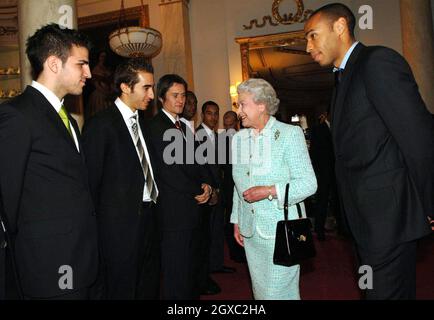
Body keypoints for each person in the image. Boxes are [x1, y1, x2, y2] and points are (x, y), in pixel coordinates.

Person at [304, 3, 434, 299]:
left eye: (312, 35)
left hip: (391, 216)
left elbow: (418, 137)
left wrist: (428, 202)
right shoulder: (341, 79)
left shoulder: (377, 62)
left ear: (340, 26)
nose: (307, 46)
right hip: (366, 219)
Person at [0, 24, 98, 299]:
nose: (89, 73)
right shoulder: (17, 115)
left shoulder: (67, 119)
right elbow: (7, 199)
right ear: (54, 64)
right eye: (82, 64)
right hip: (50, 265)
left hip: (81, 257)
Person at [230, 78, 317, 300]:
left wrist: (270, 190)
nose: (238, 110)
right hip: (251, 232)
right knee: (261, 293)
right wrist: (236, 220)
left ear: (261, 105)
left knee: (278, 292)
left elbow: (308, 183)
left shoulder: (289, 134)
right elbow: (238, 184)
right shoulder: (238, 139)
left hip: (281, 230)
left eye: (242, 104)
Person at [82, 58, 160, 299]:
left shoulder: (144, 124)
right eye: (146, 87)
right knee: (122, 290)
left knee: (148, 285)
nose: (152, 94)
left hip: (151, 218)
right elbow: (90, 185)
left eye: (152, 87)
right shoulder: (100, 125)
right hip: (118, 230)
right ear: (126, 87)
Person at [146, 74, 214, 299]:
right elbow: (169, 173)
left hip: (191, 209)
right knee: (176, 273)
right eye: (175, 95)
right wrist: (198, 190)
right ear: (161, 97)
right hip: (173, 213)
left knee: (189, 270)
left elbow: (197, 162)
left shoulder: (183, 127)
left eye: (183, 95)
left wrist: (207, 185)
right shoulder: (157, 126)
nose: (181, 100)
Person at [309, 111, 342, 241]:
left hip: (339, 173)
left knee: (339, 201)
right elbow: (314, 152)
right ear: (328, 114)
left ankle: (341, 228)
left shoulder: (340, 127)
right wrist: (319, 171)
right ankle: (319, 229)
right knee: (322, 201)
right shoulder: (318, 129)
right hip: (324, 172)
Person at [221, 111, 247, 263]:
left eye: (230, 124)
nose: (227, 127)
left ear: (236, 123)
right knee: (231, 220)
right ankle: (235, 251)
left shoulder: (244, 138)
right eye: (225, 124)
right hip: (228, 186)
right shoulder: (220, 140)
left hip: (243, 184)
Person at [86, 51, 112, 118]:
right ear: (98, 57)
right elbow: (95, 83)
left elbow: (110, 81)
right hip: (99, 94)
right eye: (101, 56)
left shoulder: (106, 68)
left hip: (107, 93)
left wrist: (109, 92)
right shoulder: (96, 69)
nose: (103, 58)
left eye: (104, 56)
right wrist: (104, 92)